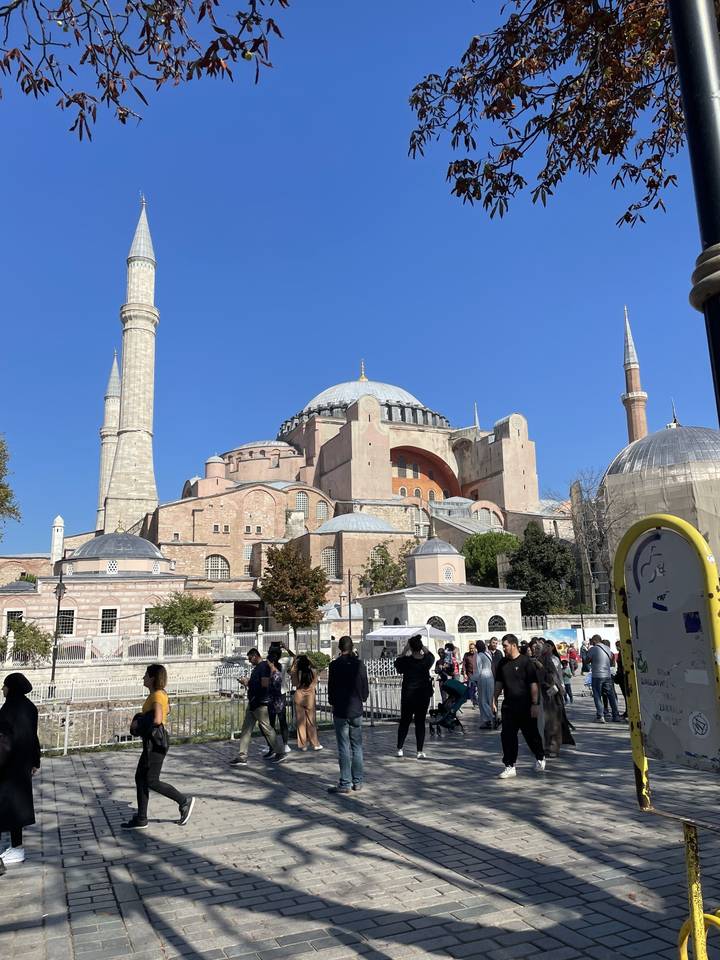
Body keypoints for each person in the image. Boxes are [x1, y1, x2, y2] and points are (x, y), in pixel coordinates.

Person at [123, 664, 195, 829]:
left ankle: (184, 801)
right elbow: (167, 710)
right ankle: (141, 818)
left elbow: (157, 719)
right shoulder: (161, 694)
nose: (143, 678)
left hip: (155, 743)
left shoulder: (156, 695)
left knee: (151, 780)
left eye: (146, 675)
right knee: (140, 777)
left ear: (153, 678)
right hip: (154, 742)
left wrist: (138, 722)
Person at [0, 673, 40, 864]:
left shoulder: (9, 709)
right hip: (22, 764)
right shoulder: (30, 707)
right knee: (16, 807)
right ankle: (16, 848)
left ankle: (15, 849)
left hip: (7, 764)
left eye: (4, 686)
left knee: (5, 806)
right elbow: (34, 736)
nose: (2, 689)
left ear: (12, 687)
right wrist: (35, 761)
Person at [493, 634, 545, 778]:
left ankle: (540, 757)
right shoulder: (502, 663)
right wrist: (494, 699)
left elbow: (533, 684)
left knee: (531, 734)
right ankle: (510, 765)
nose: (503, 648)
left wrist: (535, 704)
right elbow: (499, 683)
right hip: (509, 706)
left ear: (514, 645)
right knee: (507, 735)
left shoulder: (526, 662)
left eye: (505, 646)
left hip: (526, 704)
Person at [230, 649, 286, 765]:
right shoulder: (258, 668)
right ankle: (242, 755)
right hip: (253, 702)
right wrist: (248, 682)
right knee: (246, 729)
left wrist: (248, 683)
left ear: (255, 656)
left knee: (267, 728)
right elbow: (258, 682)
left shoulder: (264, 667)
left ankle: (280, 751)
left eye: (250, 659)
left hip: (260, 703)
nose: (250, 661)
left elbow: (264, 684)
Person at [327, 636, 368, 794]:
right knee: (357, 747)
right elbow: (364, 685)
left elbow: (331, 687)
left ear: (340, 648)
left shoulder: (335, 665)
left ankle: (345, 782)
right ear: (352, 647)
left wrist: (332, 701)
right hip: (356, 708)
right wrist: (363, 698)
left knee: (343, 747)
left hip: (341, 710)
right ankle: (357, 781)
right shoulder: (359, 664)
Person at [394, 634, 434, 758]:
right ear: (420, 647)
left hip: (408, 696)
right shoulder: (426, 661)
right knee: (420, 722)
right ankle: (419, 751)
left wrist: (405, 650)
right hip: (422, 696)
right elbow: (431, 655)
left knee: (405, 722)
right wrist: (422, 647)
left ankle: (400, 748)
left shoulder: (405, 661)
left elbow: (397, 663)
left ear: (410, 647)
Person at [539, 639, 575, 757]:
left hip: (554, 693)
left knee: (554, 721)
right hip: (544, 694)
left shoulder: (554, 660)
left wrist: (561, 688)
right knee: (546, 722)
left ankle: (553, 747)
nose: (546, 648)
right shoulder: (540, 660)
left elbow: (556, 676)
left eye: (548, 646)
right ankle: (546, 746)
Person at [291, 654, 322, 751]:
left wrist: (294, 662)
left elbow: (294, 683)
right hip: (310, 698)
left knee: (301, 722)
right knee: (311, 721)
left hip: (299, 697)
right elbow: (315, 666)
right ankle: (315, 744)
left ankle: (303, 744)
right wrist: (308, 659)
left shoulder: (296, 673)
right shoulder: (313, 672)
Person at [588, 635, 621, 723]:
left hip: (597, 675)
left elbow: (587, 660)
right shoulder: (607, 648)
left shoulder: (593, 649)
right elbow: (611, 659)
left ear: (595, 641)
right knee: (611, 695)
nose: (591, 643)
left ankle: (600, 716)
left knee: (597, 695)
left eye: (592, 641)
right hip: (607, 675)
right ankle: (616, 715)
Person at [265, 649, 291, 756]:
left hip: (277, 698)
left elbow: (272, 688)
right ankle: (278, 745)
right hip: (279, 696)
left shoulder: (277, 670)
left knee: (278, 721)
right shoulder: (281, 664)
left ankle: (278, 746)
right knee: (277, 722)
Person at [471, 640, 495, 728]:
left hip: (483, 677)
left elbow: (478, 670)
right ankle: (490, 718)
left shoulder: (478, 656)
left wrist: (472, 679)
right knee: (489, 699)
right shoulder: (488, 654)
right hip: (490, 676)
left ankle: (489, 718)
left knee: (483, 700)